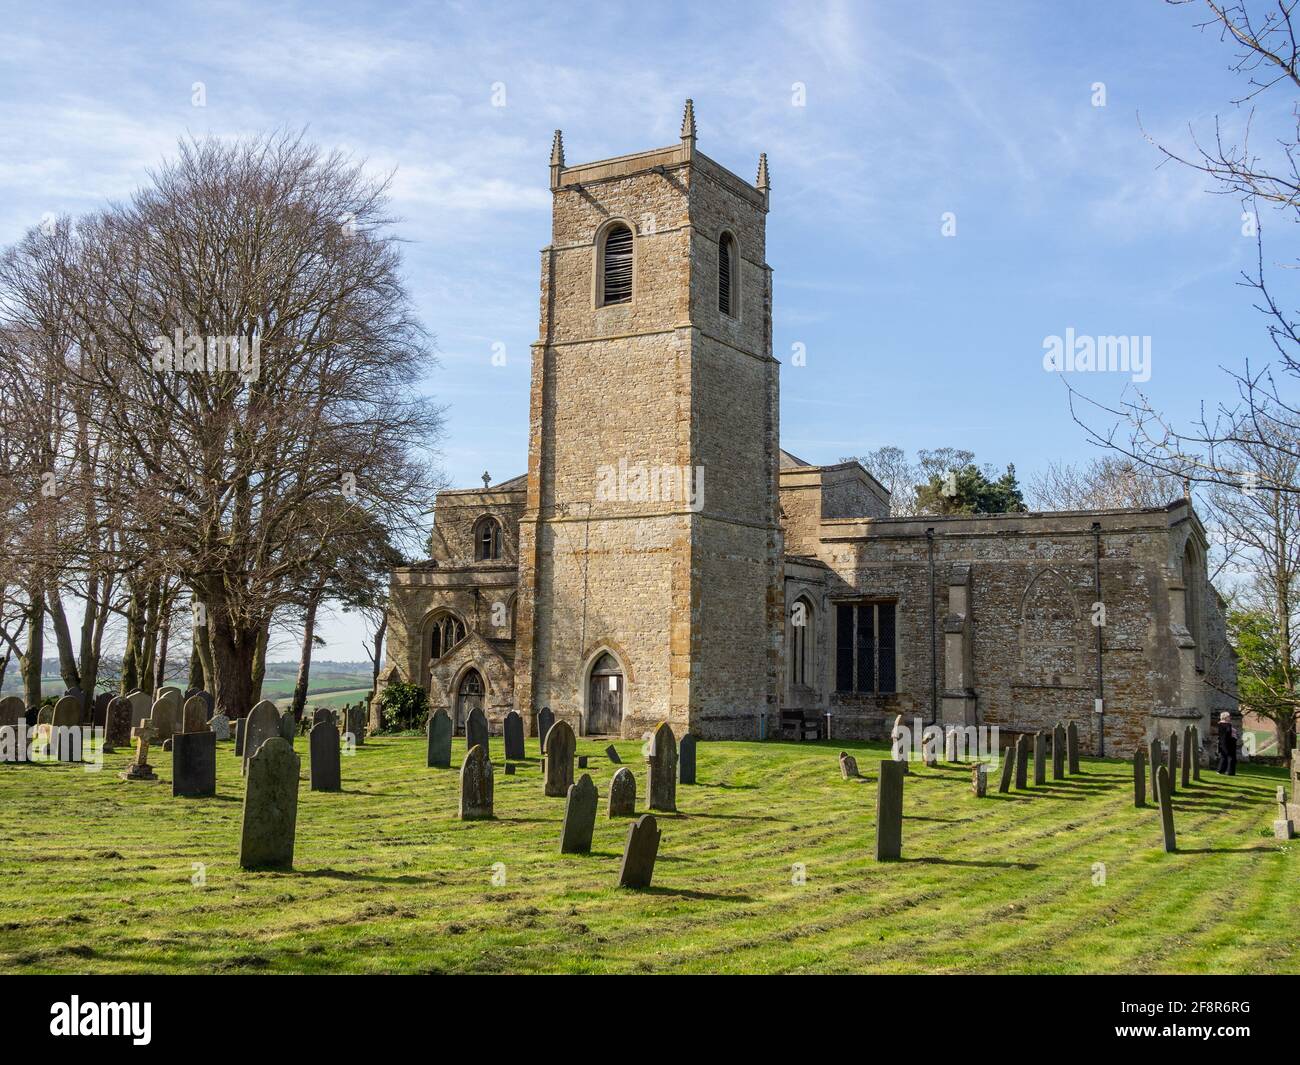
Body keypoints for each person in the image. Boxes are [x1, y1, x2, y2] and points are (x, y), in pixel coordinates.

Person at [1216, 711, 1237, 776]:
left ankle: (1220, 770)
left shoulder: (1220, 724)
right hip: (1229, 742)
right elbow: (1228, 733)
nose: (1230, 718)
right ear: (1225, 717)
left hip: (1223, 742)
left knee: (1223, 756)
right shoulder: (1227, 725)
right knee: (1231, 757)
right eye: (1229, 717)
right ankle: (1230, 771)